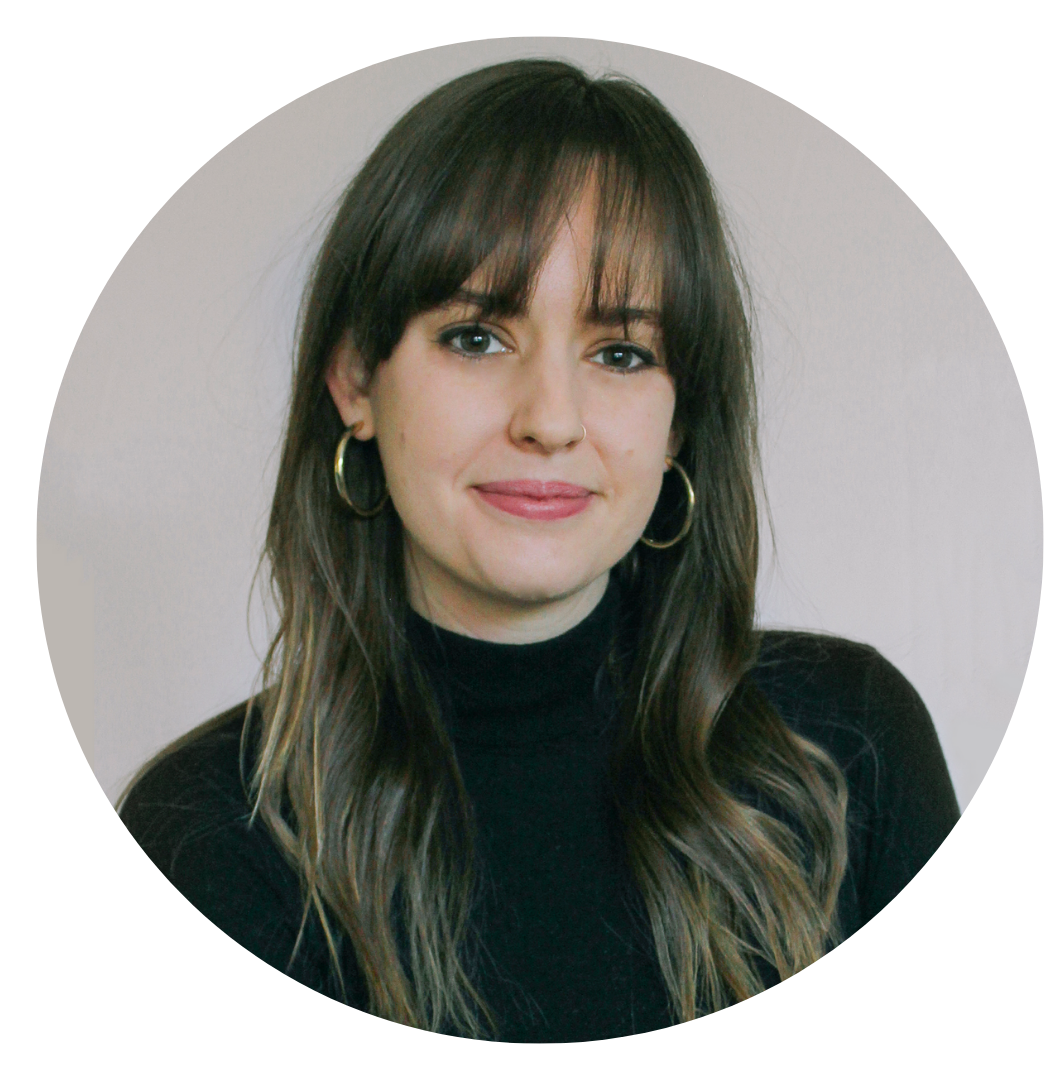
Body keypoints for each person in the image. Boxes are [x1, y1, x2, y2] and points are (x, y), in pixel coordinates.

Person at [119, 58, 959, 1042]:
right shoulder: (205, 840)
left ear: (679, 421)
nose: (551, 421)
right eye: (477, 337)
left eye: (621, 353)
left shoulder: (851, 752)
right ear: (355, 382)